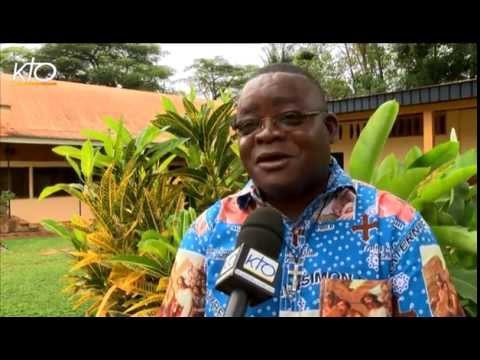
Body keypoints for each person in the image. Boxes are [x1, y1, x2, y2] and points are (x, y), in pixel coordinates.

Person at [158, 63, 463, 317]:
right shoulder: (207, 232)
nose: (266, 134)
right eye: (248, 125)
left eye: (289, 118)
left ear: (330, 129)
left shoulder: (395, 225)